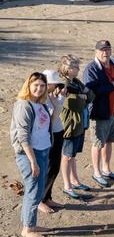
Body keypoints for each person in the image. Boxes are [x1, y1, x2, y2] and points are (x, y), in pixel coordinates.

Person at [10, 72, 51, 237]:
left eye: (42, 86)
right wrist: (33, 161)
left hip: (43, 150)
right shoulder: (23, 105)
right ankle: (27, 229)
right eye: (36, 85)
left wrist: (55, 102)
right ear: (28, 85)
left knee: (38, 190)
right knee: (34, 191)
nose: (39, 88)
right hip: (30, 154)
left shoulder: (40, 104)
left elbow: (47, 126)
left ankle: (31, 224)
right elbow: (23, 136)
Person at [83, 40, 114, 187]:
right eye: (102, 50)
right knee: (97, 143)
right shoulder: (91, 68)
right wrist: (111, 86)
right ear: (96, 51)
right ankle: (96, 172)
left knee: (109, 142)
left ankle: (106, 169)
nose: (105, 52)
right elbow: (90, 91)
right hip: (100, 112)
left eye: (107, 49)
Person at [59, 55, 94, 200]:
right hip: (70, 125)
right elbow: (73, 104)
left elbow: (91, 95)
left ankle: (75, 181)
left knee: (73, 155)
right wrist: (82, 97)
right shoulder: (63, 84)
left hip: (80, 123)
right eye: (75, 67)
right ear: (67, 68)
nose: (78, 69)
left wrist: (82, 96)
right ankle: (67, 186)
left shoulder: (76, 82)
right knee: (67, 156)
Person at [39, 70, 65, 213]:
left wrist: (59, 101)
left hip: (57, 132)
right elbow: (49, 120)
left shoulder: (52, 96)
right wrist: (57, 105)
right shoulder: (41, 98)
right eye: (54, 84)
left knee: (54, 167)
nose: (56, 86)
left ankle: (47, 197)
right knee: (47, 168)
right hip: (48, 135)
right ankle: (40, 200)